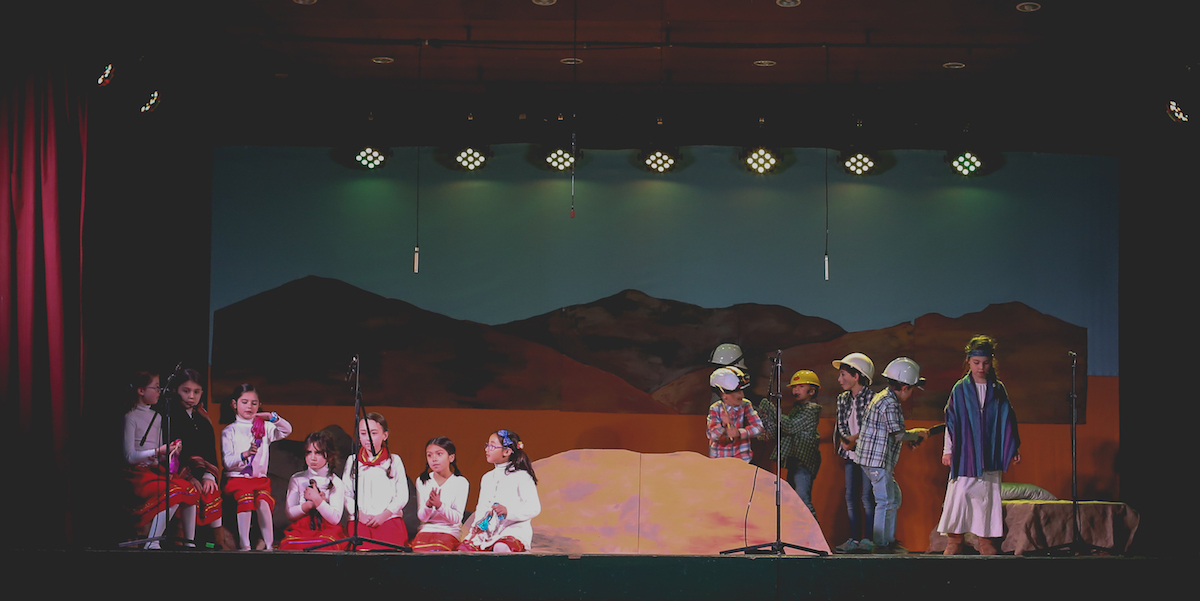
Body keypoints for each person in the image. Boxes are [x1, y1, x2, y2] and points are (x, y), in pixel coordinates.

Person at [937, 335, 1021, 556]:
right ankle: (955, 539)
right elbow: (951, 421)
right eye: (976, 363)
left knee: (987, 496)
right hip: (966, 453)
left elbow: (1007, 419)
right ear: (968, 361)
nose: (981, 367)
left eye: (985, 363)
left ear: (991, 362)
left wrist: (1012, 448)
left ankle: (985, 540)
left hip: (990, 453)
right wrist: (948, 450)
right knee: (960, 494)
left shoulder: (997, 389)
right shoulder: (960, 389)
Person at [852, 357, 930, 554]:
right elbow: (898, 434)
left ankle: (888, 540)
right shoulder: (890, 403)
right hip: (876, 461)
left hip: (875, 461)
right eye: (912, 389)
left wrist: (911, 437)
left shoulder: (884, 398)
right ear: (905, 387)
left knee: (893, 498)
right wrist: (917, 433)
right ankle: (882, 545)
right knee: (885, 501)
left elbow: (893, 433)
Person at [123, 370, 198, 548]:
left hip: (155, 470)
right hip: (137, 474)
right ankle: (153, 541)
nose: (159, 391)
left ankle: (189, 542)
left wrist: (171, 451)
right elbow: (129, 457)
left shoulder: (157, 417)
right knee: (173, 493)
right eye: (156, 387)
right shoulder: (130, 417)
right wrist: (158, 451)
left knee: (188, 489)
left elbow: (159, 453)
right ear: (141, 391)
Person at [221, 383, 292, 550]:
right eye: (244, 402)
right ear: (234, 404)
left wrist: (272, 417)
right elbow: (227, 462)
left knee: (263, 502)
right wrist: (244, 455)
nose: (249, 406)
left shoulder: (264, 427)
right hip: (237, 480)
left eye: (254, 403)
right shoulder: (229, 431)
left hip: (259, 480)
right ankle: (244, 544)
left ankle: (269, 545)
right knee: (246, 499)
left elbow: (287, 430)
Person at [167, 368, 233, 549]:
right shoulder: (170, 416)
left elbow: (209, 451)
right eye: (186, 391)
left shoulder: (203, 418)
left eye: (196, 392)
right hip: (177, 471)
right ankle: (181, 539)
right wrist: (189, 476)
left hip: (201, 471)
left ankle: (218, 542)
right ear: (176, 390)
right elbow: (174, 452)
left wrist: (208, 475)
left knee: (211, 490)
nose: (191, 396)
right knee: (188, 491)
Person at [460, 430, 540, 552]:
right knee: (463, 550)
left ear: (506, 452)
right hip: (488, 533)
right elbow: (482, 507)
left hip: (513, 531)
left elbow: (534, 508)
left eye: (492, 446)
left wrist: (508, 511)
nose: (487, 449)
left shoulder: (522, 476)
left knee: (501, 547)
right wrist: (477, 525)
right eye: (487, 445)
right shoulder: (487, 478)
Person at [757, 370, 822, 518]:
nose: (795, 390)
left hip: (804, 463)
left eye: (800, 386)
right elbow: (782, 430)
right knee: (793, 500)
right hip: (795, 461)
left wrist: (771, 409)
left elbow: (790, 427)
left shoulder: (811, 410)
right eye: (794, 387)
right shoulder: (797, 409)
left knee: (803, 500)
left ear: (812, 391)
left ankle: (814, 531)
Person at [343, 412, 409, 550]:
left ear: (385, 435)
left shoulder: (394, 460)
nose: (368, 438)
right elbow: (346, 493)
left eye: (373, 433)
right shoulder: (353, 461)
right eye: (363, 433)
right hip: (360, 521)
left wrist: (384, 515)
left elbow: (402, 495)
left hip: (388, 520)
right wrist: (359, 514)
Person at [831, 352, 876, 553]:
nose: (840, 379)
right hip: (850, 455)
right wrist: (846, 440)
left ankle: (869, 539)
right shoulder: (842, 399)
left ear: (856, 376)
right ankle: (854, 539)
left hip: (868, 455)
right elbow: (841, 423)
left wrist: (855, 440)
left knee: (867, 497)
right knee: (851, 496)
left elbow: (872, 427)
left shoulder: (873, 399)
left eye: (843, 374)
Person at [279, 430, 346, 551]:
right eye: (309, 452)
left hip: (327, 529)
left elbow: (335, 519)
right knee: (289, 545)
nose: (312, 458)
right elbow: (290, 513)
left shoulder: (336, 482)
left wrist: (317, 500)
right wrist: (309, 505)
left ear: (329, 455)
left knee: (325, 545)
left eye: (318, 453)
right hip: (301, 527)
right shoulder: (297, 479)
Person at [411, 436, 470, 552]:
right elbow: (422, 517)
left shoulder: (460, 482)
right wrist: (428, 506)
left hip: (449, 531)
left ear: (451, 457)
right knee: (417, 552)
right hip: (426, 530)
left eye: (439, 454)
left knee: (438, 551)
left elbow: (456, 519)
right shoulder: (423, 481)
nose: (434, 459)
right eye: (429, 455)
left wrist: (440, 506)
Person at [705, 366, 765, 462]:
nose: (742, 395)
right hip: (719, 460)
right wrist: (722, 425)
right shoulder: (715, 408)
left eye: (741, 391)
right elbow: (712, 435)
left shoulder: (746, 405)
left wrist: (739, 433)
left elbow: (759, 427)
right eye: (737, 392)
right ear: (724, 394)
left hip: (742, 458)